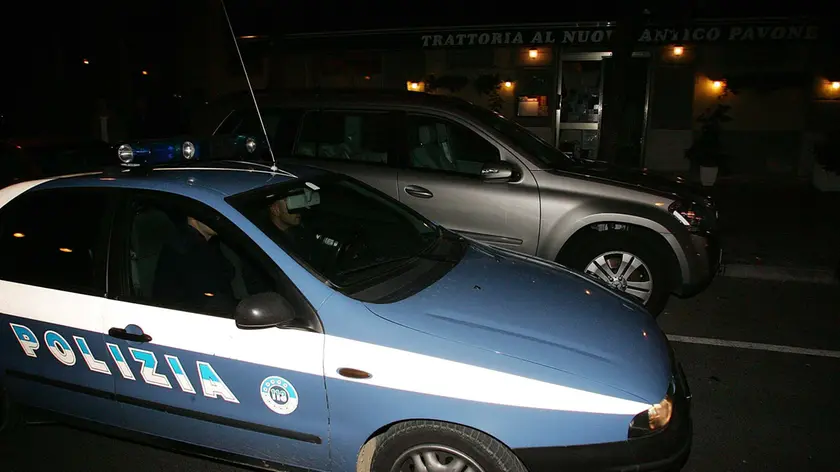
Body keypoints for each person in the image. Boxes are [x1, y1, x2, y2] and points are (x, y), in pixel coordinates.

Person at [153, 215, 239, 315]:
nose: (220, 219)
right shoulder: (186, 249)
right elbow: (209, 295)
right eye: (213, 215)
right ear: (193, 217)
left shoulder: (209, 243)